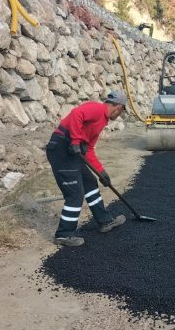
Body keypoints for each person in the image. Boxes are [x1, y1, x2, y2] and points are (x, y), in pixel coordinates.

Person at [45, 90, 129, 246]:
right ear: (119, 107)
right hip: (61, 149)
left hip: (73, 151)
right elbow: (77, 113)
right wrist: (75, 141)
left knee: (90, 182)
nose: (120, 114)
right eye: (122, 111)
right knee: (75, 194)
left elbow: (89, 149)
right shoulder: (98, 109)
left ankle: (105, 221)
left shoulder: (102, 121)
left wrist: (101, 172)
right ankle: (64, 234)